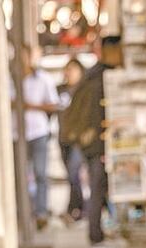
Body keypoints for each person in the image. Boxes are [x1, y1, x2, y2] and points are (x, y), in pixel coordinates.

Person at [65, 35, 126, 248]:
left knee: (100, 188)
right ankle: (95, 235)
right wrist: (99, 141)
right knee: (97, 188)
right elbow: (92, 116)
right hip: (96, 145)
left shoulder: (97, 75)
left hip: (94, 144)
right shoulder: (98, 78)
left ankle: (99, 231)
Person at [16, 47, 59, 229]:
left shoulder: (43, 79)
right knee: (20, 174)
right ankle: (23, 211)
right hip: (17, 133)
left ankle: (40, 211)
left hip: (38, 131)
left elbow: (54, 104)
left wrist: (32, 106)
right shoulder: (10, 80)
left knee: (40, 173)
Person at [57, 57, 86, 224]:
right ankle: (77, 207)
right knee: (70, 174)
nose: (69, 73)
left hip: (77, 139)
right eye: (67, 70)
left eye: (73, 70)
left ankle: (74, 208)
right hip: (63, 137)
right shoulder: (60, 90)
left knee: (74, 173)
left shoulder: (83, 91)